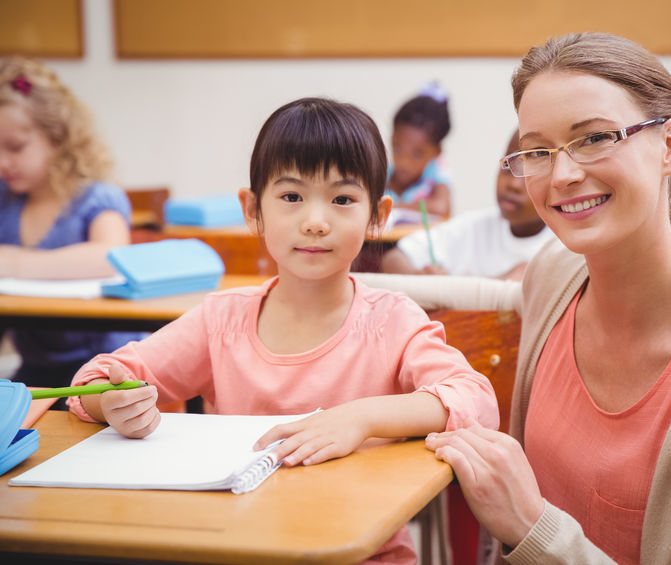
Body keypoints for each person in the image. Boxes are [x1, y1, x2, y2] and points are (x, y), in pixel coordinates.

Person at [408, 33, 671, 564]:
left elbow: (529, 519)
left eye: (595, 138)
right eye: (537, 151)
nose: (561, 175)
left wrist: (531, 526)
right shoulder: (553, 277)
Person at [66, 97, 499, 564]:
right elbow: (98, 378)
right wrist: (108, 402)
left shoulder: (393, 320)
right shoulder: (222, 321)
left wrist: (362, 418)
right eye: (291, 197)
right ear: (252, 210)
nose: (315, 222)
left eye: (343, 199)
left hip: (365, 555)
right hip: (239, 546)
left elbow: (475, 400)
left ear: (377, 214)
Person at [0, 56, 143, 393]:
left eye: (16, 147)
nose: (3, 162)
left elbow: (110, 255)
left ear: (58, 138)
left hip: (105, 369)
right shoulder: (6, 200)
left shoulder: (96, 198)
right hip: (36, 369)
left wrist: (15, 262)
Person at [381, 129, 552, 281]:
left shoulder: (563, 246)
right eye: (508, 166)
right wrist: (423, 281)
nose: (513, 185)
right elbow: (393, 259)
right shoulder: (474, 228)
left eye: (528, 173)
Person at [386, 82, 452, 218]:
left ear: (437, 152)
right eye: (397, 149)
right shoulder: (384, 175)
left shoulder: (436, 174)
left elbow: (442, 208)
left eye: (417, 154)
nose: (404, 161)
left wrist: (392, 206)